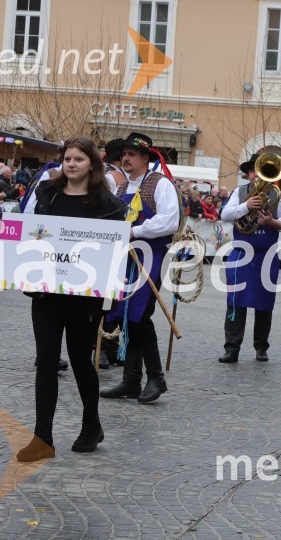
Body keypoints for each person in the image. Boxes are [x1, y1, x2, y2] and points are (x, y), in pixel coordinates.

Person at [16, 137, 127, 463]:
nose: (72, 164)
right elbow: (34, 232)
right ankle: (42, 437)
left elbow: (113, 252)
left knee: (80, 360)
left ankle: (91, 424)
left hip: (84, 295)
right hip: (47, 290)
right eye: (67, 159)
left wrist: (108, 292)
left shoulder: (107, 204)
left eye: (79, 159)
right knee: (47, 359)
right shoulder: (47, 193)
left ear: (91, 164)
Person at [100, 132, 180, 403]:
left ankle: (155, 378)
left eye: (132, 154)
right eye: (123, 154)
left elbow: (169, 221)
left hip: (150, 255)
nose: (125, 158)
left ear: (146, 157)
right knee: (125, 315)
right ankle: (131, 381)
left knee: (139, 313)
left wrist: (135, 232)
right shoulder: (120, 189)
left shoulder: (161, 184)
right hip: (123, 258)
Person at [218, 153, 281, 363]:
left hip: (266, 256)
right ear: (248, 174)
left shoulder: (278, 195)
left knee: (264, 303)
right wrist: (246, 206)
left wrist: (273, 222)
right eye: (252, 171)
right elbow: (224, 214)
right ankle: (232, 348)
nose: (256, 176)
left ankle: (261, 347)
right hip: (241, 254)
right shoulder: (239, 192)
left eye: (259, 171)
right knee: (235, 302)